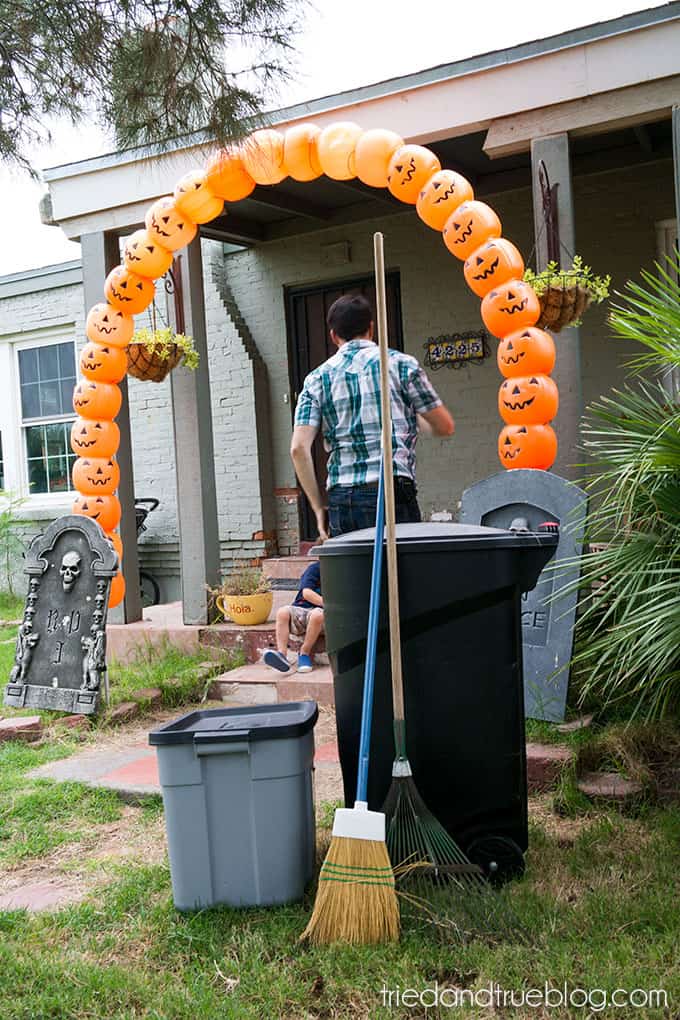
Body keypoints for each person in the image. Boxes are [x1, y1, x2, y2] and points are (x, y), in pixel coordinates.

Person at [291, 293, 454, 538]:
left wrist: (317, 508)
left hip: (342, 495)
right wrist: (413, 419)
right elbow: (444, 426)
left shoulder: (316, 379)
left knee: (355, 576)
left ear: (333, 335)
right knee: (402, 574)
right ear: (371, 328)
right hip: (392, 490)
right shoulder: (402, 365)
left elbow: (298, 449)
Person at [264, 559, 324, 674]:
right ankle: (282, 654)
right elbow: (307, 593)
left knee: (317, 615)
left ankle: (304, 653)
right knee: (282, 612)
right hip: (302, 609)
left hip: (320, 614)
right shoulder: (315, 569)